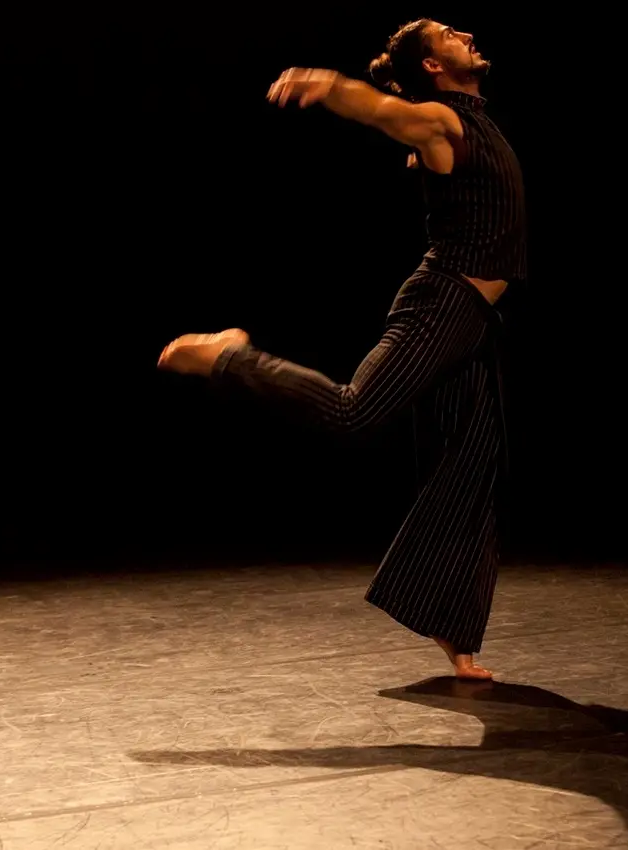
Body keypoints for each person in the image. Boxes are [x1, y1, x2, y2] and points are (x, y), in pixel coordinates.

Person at [158, 20, 525, 680]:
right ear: (432, 66)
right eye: (446, 33)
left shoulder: (472, 122)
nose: (464, 33)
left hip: (471, 318)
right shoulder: (437, 119)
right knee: (355, 414)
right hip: (442, 302)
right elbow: (380, 110)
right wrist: (329, 87)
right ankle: (230, 356)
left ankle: (450, 623)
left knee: (474, 462)